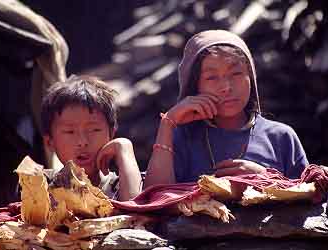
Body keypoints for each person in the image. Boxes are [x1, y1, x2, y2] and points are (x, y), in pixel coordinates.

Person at [144, 29, 308, 187]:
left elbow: (310, 196)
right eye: (211, 77)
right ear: (195, 86)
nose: (226, 87)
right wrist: (168, 123)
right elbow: (153, 201)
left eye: (236, 74)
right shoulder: (182, 137)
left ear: (250, 77)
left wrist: (266, 179)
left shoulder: (280, 137)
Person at [41, 75, 142, 201]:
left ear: (111, 134)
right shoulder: (42, 186)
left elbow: (135, 208)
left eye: (94, 130)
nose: (83, 142)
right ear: (50, 142)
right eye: (70, 132)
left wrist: (124, 148)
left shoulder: (121, 184)